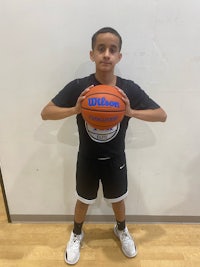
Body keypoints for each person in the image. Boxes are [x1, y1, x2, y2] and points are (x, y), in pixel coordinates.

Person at [41, 27, 167, 265]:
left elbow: (161, 115)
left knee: (118, 200)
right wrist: (76, 110)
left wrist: (130, 112)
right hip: (87, 158)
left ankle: (121, 230)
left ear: (119, 56)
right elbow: (46, 113)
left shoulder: (128, 89)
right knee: (83, 200)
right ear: (92, 55)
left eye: (113, 49)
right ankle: (77, 232)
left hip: (115, 159)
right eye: (101, 49)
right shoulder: (80, 86)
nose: (106, 54)